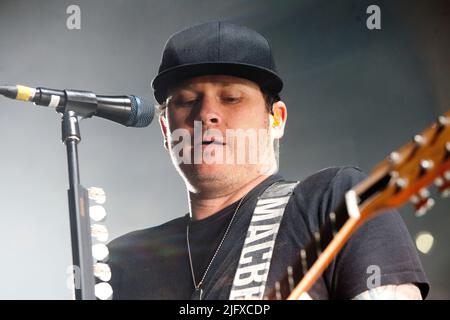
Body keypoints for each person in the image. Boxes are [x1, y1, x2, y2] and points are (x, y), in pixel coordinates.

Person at [107, 21, 429, 300]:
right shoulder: (122, 260)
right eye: (187, 101)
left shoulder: (336, 200)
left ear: (276, 119)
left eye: (231, 98)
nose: (206, 114)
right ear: (166, 129)